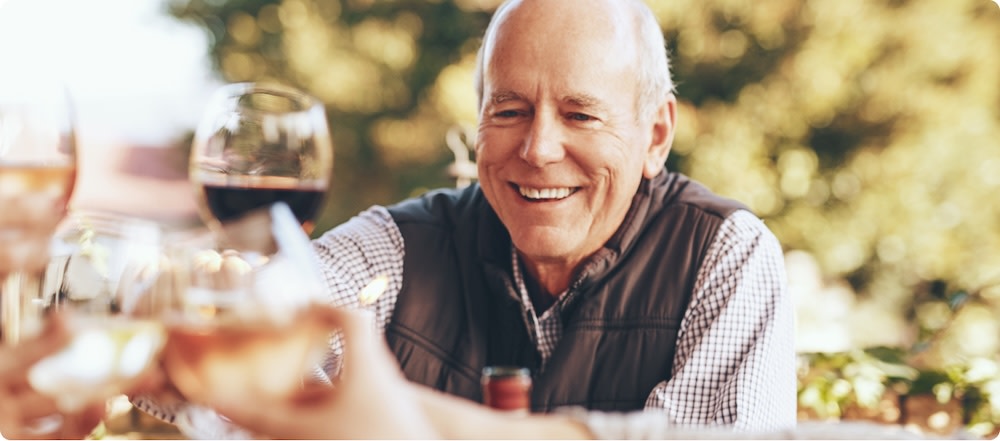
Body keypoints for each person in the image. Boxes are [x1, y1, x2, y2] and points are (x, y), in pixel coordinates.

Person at [136, 0, 796, 437]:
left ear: (655, 135)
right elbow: (272, 305)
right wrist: (190, 313)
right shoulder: (403, 243)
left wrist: (378, 419)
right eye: (508, 110)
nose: (538, 148)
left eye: (580, 114)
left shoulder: (724, 255)